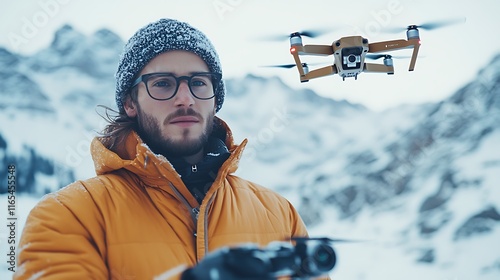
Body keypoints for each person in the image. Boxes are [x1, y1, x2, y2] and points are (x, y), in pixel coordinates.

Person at [15, 18, 328, 279]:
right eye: (163, 83)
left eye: (199, 83)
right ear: (129, 103)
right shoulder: (69, 215)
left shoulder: (279, 214)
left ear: (215, 100)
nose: (185, 98)